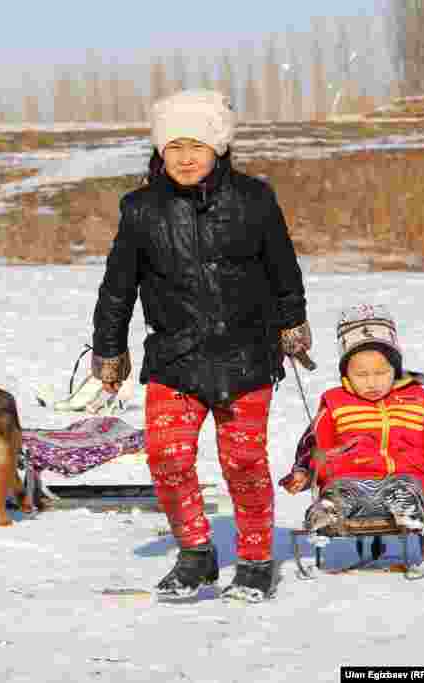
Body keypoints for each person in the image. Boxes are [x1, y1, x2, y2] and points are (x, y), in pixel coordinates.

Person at [91, 89, 311, 602]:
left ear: (218, 148)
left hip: (246, 356)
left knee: (244, 463)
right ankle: (195, 553)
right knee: (167, 459)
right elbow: (118, 287)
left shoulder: (255, 200)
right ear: (160, 152)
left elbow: (284, 271)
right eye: (174, 147)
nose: (185, 157)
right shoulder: (140, 210)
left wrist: (292, 324)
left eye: (196, 146)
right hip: (175, 357)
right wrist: (109, 349)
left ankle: (255, 559)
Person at [280, 304, 424, 533]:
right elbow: (314, 442)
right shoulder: (336, 403)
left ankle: (406, 511)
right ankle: (328, 512)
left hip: (406, 477)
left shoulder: (416, 401)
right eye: (361, 375)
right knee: (338, 492)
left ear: (395, 370)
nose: (372, 382)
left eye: (381, 373)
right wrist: (303, 471)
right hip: (349, 477)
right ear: (346, 373)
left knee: (407, 488)